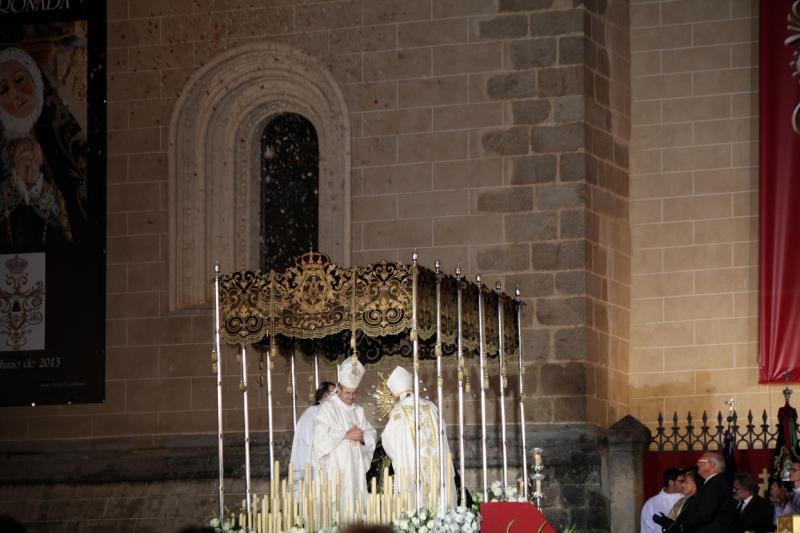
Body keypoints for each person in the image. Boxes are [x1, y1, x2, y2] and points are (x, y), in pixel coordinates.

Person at [380, 365, 456, 509]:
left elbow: (388, 441)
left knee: (416, 508)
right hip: (438, 466)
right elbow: (443, 429)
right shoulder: (430, 406)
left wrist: (399, 458)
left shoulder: (397, 411)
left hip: (411, 469)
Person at [310, 357, 376, 515]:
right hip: (336, 469)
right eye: (347, 393)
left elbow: (371, 433)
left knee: (356, 507)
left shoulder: (358, 411)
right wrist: (345, 435)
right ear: (338, 389)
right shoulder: (327, 409)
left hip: (355, 468)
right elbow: (319, 440)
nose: (351, 397)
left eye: (354, 393)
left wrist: (362, 438)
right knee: (338, 511)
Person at [0, 135, 73, 247]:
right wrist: (17, 180)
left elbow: (65, 225)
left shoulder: (50, 193)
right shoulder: (6, 187)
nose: (29, 156)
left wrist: (34, 183)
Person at [670, 452, 736, 533]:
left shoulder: (715, 484)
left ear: (712, 464)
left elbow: (704, 514)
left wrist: (683, 526)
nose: (697, 464)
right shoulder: (714, 483)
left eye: (701, 461)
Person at [289, 381, 335, 483]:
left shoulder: (323, 411)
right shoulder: (314, 412)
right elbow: (311, 440)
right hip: (314, 463)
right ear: (325, 394)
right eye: (333, 393)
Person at [642, 467, 685, 533]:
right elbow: (646, 529)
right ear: (671, 482)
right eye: (681, 481)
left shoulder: (686, 500)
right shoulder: (651, 503)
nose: (684, 484)